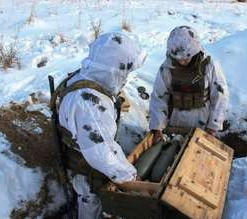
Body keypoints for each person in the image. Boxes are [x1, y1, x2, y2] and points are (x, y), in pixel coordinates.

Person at [50, 33, 146, 219]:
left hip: (87, 161)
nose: (126, 77)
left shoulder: (87, 79)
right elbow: (100, 153)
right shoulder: (88, 104)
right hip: (88, 170)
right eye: (124, 71)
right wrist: (131, 177)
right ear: (112, 68)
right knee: (91, 203)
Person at [149, 26, 229, 143]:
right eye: (178, 59)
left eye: (186, 58)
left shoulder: (209, 66)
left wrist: (213, 126)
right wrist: (157, 127)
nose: (182, 62)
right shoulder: (166, 68)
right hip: (175, 122)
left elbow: (220, 96)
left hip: (202, 122)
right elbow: (159, 97)